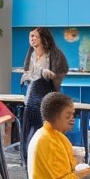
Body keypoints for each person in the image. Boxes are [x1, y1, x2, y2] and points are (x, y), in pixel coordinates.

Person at [20, 27, 68, 158]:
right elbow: (26, 73)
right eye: (31, 36)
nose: (32, 38)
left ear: (44, 39)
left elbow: (58, 76)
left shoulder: (54, 54)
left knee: (45, 131)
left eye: (35, 36)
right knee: (29, 132)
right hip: (31, 97)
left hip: (46, 97)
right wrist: (36, 74)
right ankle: (28, 159)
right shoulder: (31, 54)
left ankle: (46, 158)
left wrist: (51, 75)